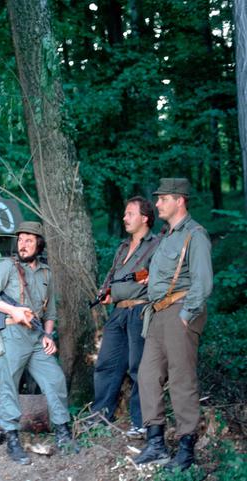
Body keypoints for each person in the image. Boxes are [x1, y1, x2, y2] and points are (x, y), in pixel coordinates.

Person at [133, 178, 213, 472]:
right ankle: (155, 443)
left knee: (182, 379)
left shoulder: (195, 235)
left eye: (162, 198)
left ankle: (186, 447)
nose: (157, 204)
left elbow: (203, 283)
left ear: (179, 200)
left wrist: (186, 314)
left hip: (180, 312)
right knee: (147, 375)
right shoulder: (167, 236)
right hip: (158, 315)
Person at [0, 221, 76, 464]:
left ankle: (63, 432)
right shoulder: (7, 267)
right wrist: (12, 311)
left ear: (39, 245)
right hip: (12, 334)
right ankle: (12, 438)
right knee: (9, 383)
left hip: (37, 337)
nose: (23, 245)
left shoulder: (46, 273)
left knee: (54, 379)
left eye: (29, 241)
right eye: (21, 240)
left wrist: (48, 336)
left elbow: (51, 313)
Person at [90, 197, 159, 438]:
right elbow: (112, 275)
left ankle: (141, 422)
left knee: (139, 367)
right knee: (106, 364)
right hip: (118, 312)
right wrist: (106, 292)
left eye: (130, 214)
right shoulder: (122, 247)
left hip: (140, 311)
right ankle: (100, 416)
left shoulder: (157, 244)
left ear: (145, 218)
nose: (124, 218)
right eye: (124, 213)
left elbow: (163, 277)